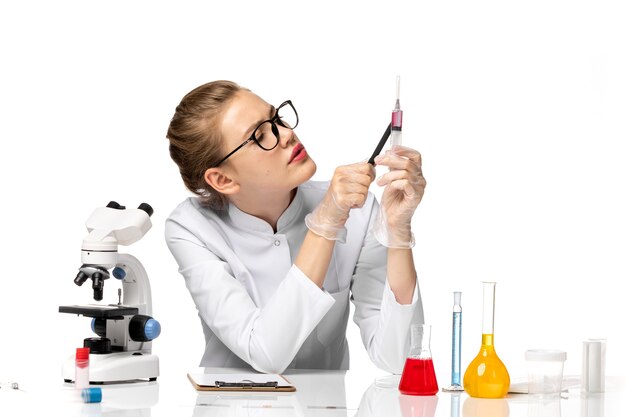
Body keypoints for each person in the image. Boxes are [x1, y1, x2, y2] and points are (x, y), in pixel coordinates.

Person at [164, 80, 427, 374]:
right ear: (223, 180)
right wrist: (325, 223)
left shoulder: (359, 209)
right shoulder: (191, 227)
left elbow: (399, 358)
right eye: (260, 135)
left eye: (277, 118)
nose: (288, 134)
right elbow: (265, 354)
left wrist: (398, 232)